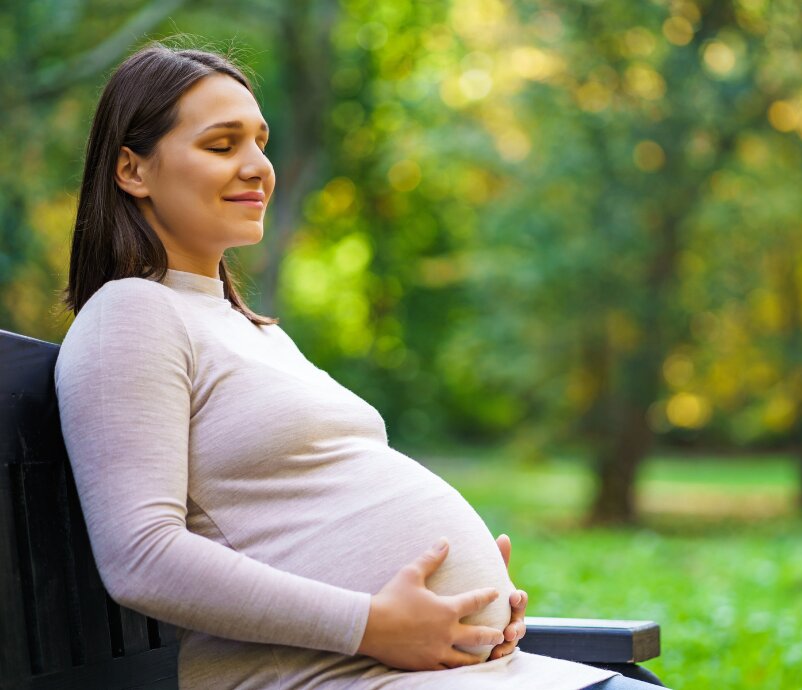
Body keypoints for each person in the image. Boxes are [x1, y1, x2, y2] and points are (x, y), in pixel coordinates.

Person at [54, 42, 658, 689]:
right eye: (222, 145)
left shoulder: (244, 327)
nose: (258, 166)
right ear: (132, 170)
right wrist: (371, 623)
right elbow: (141, 556)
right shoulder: (131, 313)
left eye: (260, 142)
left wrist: (473, 608)